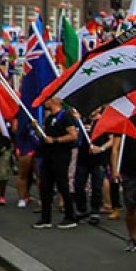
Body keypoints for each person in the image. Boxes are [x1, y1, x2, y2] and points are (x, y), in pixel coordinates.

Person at [32, 97, 79, 229]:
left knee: (62, 184)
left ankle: (70, 216)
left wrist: (56, 140)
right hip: (48, 156)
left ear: (54, 101)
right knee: (45, 185)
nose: (44, 102)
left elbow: (73, 135)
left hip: (61, 155)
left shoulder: (66, 116)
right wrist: (37, 129)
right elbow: (45, 137)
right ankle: (45, 218)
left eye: (47, 99)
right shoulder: (49, 118)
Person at [110, 116, 136, 251]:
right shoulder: (123, 123)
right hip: (128, 172)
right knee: (131, 207)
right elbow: (115, 148)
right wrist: (115, 169)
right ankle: (132, 237)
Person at [72, 108, 110, 224]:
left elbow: (112, 140)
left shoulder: (105, 121)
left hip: (98, 160)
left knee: (96, 187)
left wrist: (101, 148)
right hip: (83, 158)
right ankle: (81, 209)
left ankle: (95, 211)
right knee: (78, 184)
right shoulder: (82, 120)